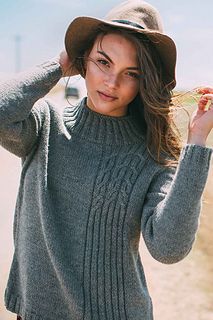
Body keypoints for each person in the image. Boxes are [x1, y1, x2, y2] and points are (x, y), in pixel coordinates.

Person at [0, 1, 213, 319]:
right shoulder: (45, 125)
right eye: (103, 62)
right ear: (83, 60)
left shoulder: (152, 155)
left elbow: (169, 248)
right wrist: (59, 65)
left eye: (131, 73)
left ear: (145, 81)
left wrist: (196, 143)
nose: (112, 82)